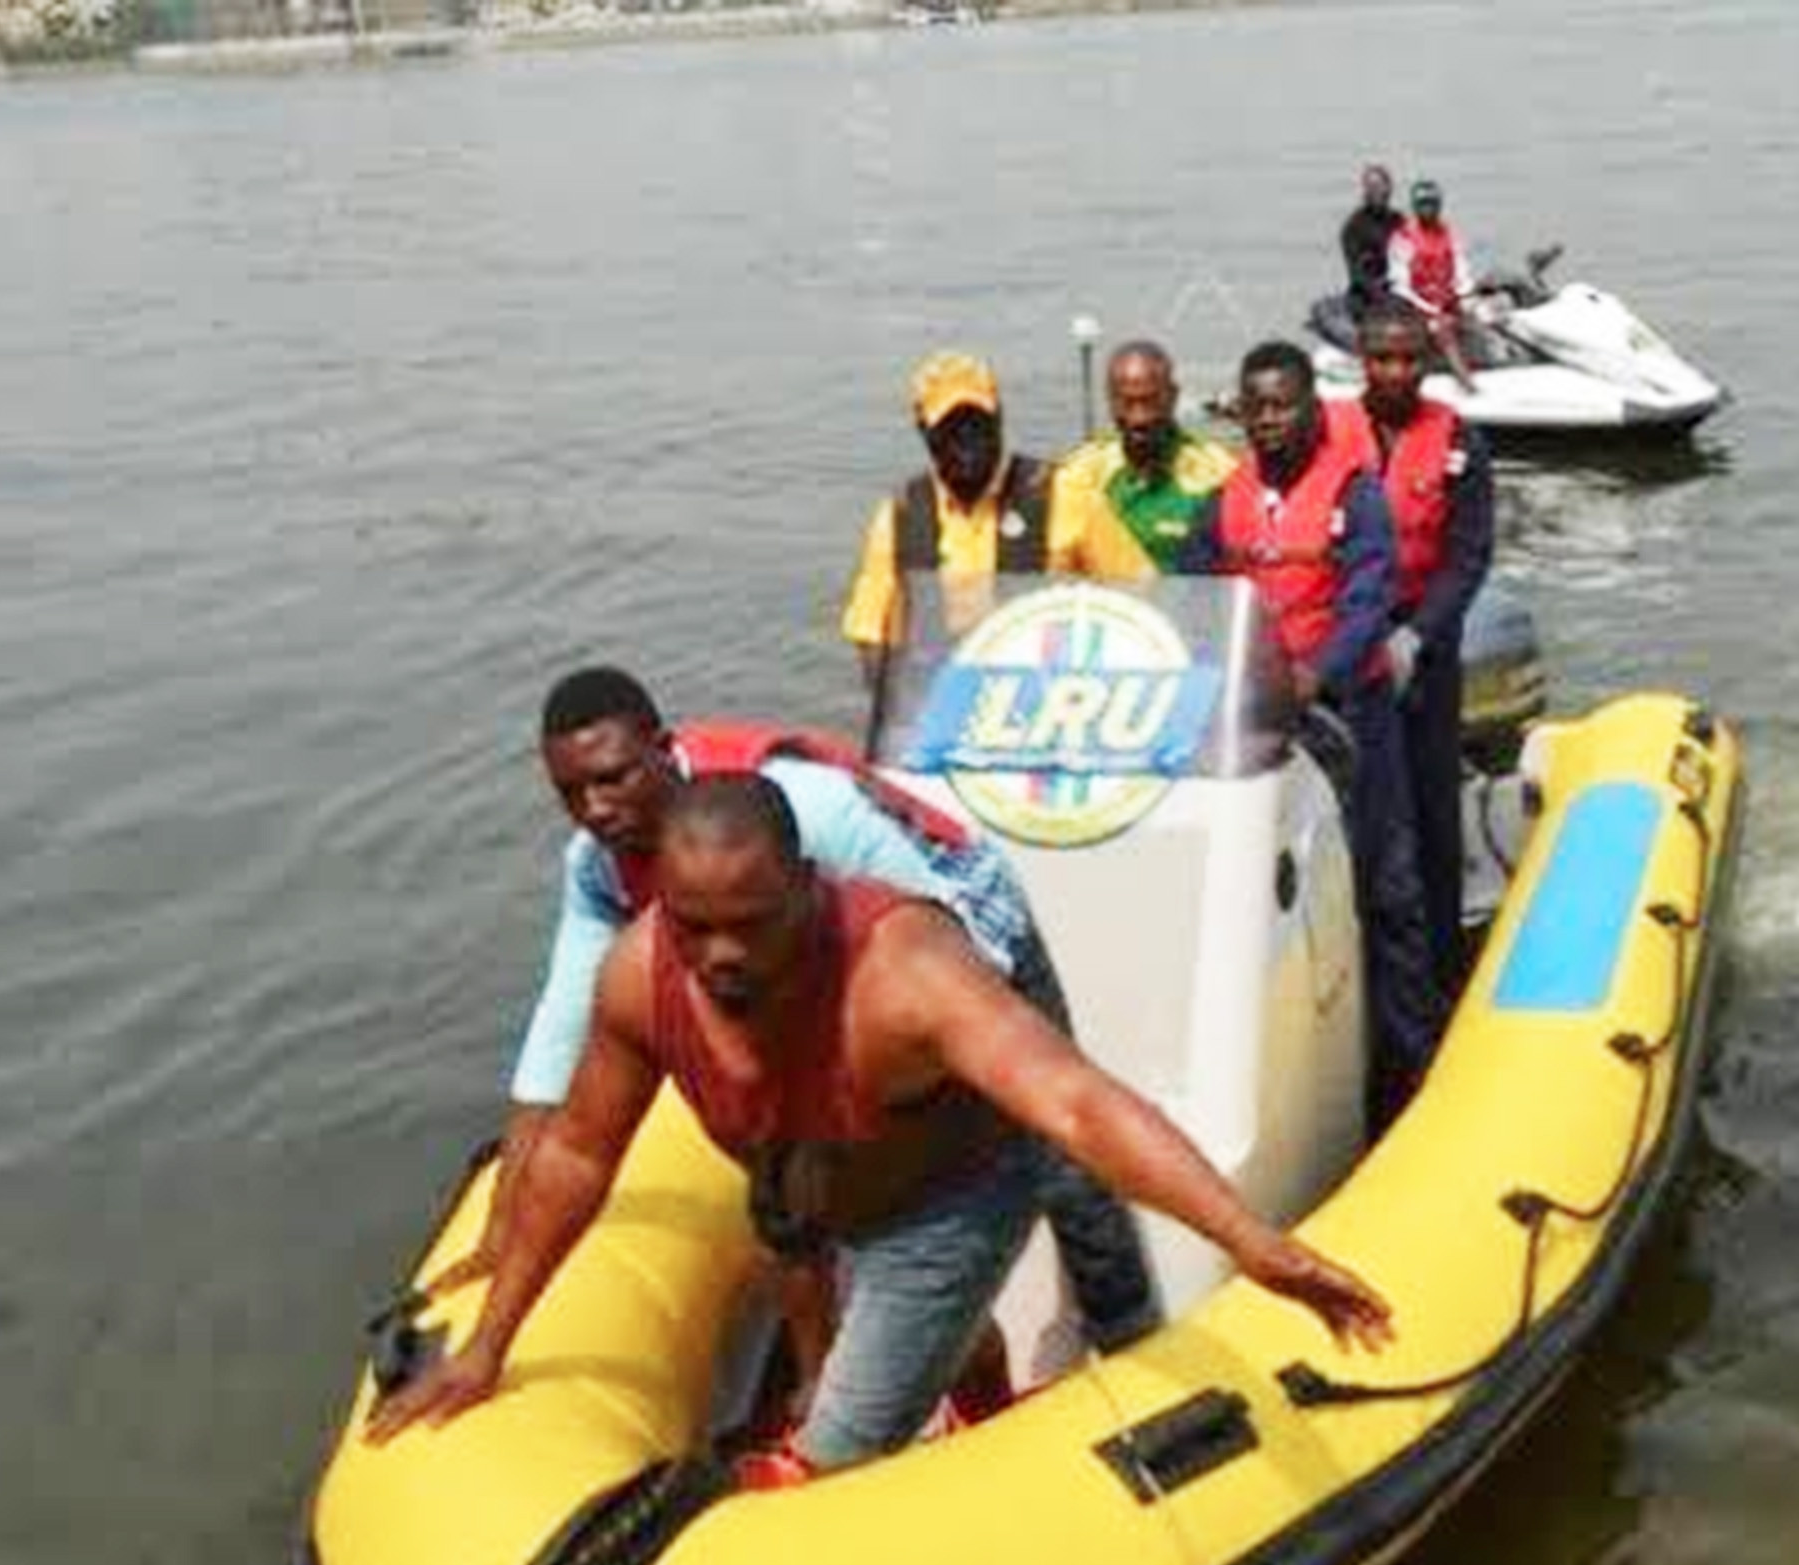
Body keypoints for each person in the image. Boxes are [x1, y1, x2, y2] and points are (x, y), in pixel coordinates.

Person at [370, 775, 1392, 1476]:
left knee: (837, 1446)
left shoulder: (904, 973)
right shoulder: (641, 974)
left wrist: (1247, 1238)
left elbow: (1076, 1100)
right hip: (819, 1180)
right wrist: (487, 1346)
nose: (720, 955)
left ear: (808, 890)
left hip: (951, 1199)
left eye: (752, 920)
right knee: (902, 1325)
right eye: (695, 925)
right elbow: (583, 1149)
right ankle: (988, 1399)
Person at [459, 668, 1160, 1423]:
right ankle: (835, 1367)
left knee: (1052, 1142)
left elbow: (940, 940)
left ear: (662, 751)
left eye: (614, 779)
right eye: (571, 794)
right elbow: (560, 1032)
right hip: (786, 984)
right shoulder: (598, 865)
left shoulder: (798, 810)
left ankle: (1130, 1332)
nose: (596, 809)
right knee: (783, 1190)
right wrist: (504, 1220)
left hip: (959, 921)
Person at [1178, 341, 1438, 1132]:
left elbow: (1371, 597)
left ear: (1312, 411)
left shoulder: (1353, 497)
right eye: (1255, 407)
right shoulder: (1221, 503)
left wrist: (1315, 672)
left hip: (1348, 718)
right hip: (1256, 728)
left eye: (1283, 404)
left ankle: (1414, 1071)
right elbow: (1187, 595)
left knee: (1386, 888)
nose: (1268, 420)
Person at [1346, 305, 1495, 977]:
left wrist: (1416, 635)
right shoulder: (1329, 432)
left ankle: (1438, 969)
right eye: (1384, 359)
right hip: (1346, 646)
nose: (1397, 372)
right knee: (1360, 814)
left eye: (1409, 359)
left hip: (1423, 653)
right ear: (1363, 360)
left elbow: (1468, 557)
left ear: (1427, 363)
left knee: (1431, 814)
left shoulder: (1459, 440)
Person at [839, 352, 1056, 686]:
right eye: (950, 429)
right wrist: (896, 711)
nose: (967, 441)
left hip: (1043, 702)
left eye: (978, 424)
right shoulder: (901, 513)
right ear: (924, 432)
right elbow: (872, 630)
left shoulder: (1061, 493)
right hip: (943, 704)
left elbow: (1136, 592)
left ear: (1000, 418)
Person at [1045, 340, 1239, 581]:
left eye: (1150, 402)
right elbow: (1057, 570)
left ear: (1173, 396)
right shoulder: (1079, 476)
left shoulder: (1219, 471)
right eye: (1127, 403)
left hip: (1189, 612)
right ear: (1110, 400)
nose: (1139, 418)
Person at [1387, 178, 1479, 381]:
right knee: (1442, 328)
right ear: (1415, 207)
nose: (1428, 208)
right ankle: (1466, 381)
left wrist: (1466, 297)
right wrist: (1431, 309)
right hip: (1417, 305)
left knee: (1485, 313)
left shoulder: (1449, 234)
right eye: (1423, 204)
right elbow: (1400, 286)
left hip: (1447, 300)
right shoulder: (1403, 238)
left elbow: (1461, 270)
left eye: (1432, 203)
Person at [1339, 163, 1400, 314]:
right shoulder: (1354, 226)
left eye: (1380, 186)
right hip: (1365, 292)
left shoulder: (1400, 221)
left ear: (1389, 189)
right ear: (1365, 191)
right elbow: (1355, 271)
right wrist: (1377, 293)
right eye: (1371, 187)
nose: (1376, 191)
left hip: (1397, 286)